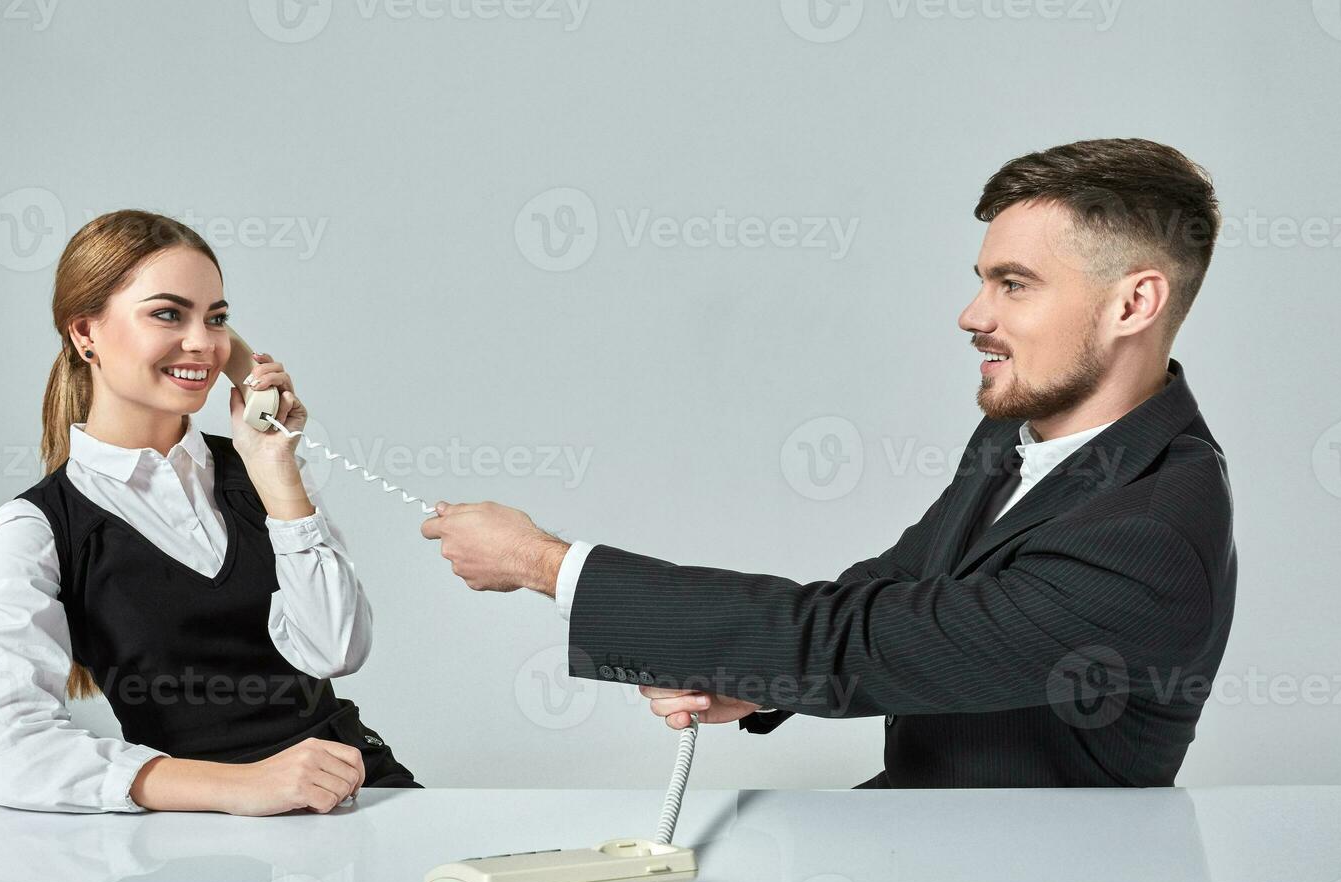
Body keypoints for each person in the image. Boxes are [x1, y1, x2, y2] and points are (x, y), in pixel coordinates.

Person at [419, 138, 1238, 788]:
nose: (971, 314)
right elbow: (899, 588)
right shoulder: (1022, 432)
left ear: (1134, 303)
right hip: (927, 835)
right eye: (981, 281)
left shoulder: (1151, 530)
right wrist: (760, 679)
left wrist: (543, 565)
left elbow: (866, 642)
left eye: (1013, 285)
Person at [0, 210, 418, 815]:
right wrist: (244, 787)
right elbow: (2, 746)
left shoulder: (262, 473)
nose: (204, 343)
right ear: (85, 334)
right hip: (203, 838)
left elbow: (337, 650)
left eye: (217, 318)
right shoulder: (40, 527)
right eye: (168, 314)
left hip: (366, 793)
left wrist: (275, 464)